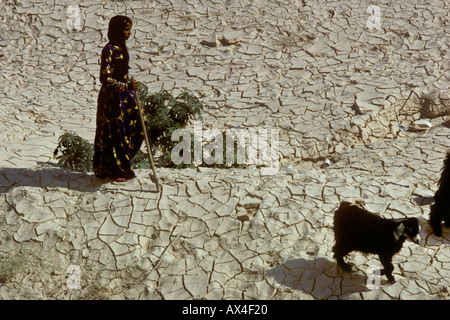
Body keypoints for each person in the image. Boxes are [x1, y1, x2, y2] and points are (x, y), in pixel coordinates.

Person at [93, 15, 144, 182]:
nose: (129, 33)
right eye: (126, 29)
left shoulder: (123, 48)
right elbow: (105, 78)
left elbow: (122, 73)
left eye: (129, 29)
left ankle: (124, 163)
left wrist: (130, 83)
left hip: (126, 98)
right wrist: (125, 86)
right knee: (115, 135)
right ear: (117, 30)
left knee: (138, 129)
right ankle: (116, 169)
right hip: (112, 99)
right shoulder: (109, 50)